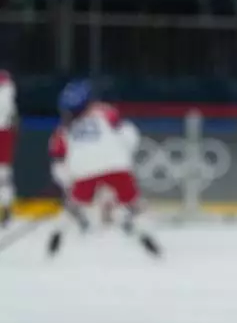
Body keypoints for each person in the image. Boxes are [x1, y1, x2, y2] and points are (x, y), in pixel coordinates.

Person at [46, 80, 159, 256]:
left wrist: (67, 182)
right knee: (134, 204)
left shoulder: (63, 129)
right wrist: (124, 155)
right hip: (116, 164)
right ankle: (146, 237)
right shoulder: (105, 112)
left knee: (73, 206)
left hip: (85, 171)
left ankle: (57, 234)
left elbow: (58, 160)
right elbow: (129, 134)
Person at [0, 68, 16, 226]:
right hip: (5, 131)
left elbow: (7, 109)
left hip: (3, 131)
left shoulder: (6, 82)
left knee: (3, 173)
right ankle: (6, 208)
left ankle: (6, 208)